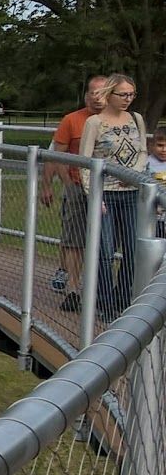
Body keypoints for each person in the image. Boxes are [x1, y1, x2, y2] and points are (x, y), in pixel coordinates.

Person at [78, 73, 144, 321]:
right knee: (104, 251)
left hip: (131, 194)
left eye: (131, 94)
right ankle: (104, 304)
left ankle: (123, 297)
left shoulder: (136, 119)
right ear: (110, 95)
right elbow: (85, 162)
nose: (128, 99)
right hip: (105, 194)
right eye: (123, 94)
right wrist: (93, 195)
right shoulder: (94, 123)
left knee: (132, 250)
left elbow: (142, 152)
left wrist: (134, 175)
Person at [43, 75, 108, 311]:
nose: (98, 97)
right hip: (77, 187)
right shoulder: (72, 120)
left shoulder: (115, 122)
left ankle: (104, 292)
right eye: (94, 92)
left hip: (109, 189)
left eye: (103, 92)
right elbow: (56, 153)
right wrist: (51, 184)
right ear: (87, 95)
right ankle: (72, 288)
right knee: (74, 239)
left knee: (106, 241)